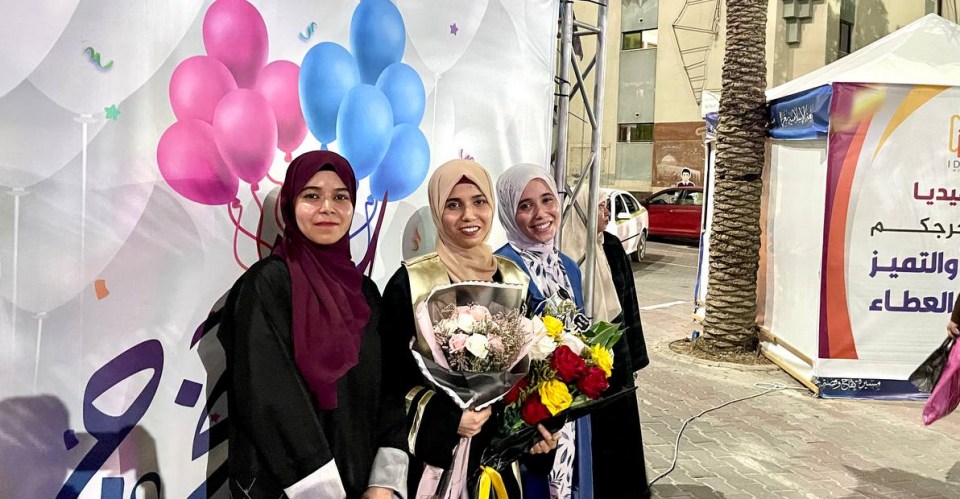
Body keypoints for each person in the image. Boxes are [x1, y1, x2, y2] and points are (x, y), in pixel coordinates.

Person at [217, 151, 407, 499]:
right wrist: (321, 490)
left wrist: (383, 482)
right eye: (312, 195)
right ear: (290, 204)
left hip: (363, 485)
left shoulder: (365, 292)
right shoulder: (266, 286)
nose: (327, 208)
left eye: (340, 197)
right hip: (286, 486)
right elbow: (268, 397)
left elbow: (390, 388)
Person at [380, 159, 558, 498]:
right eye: (453, 205)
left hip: (496, 465)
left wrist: (535, 432)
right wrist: (448, 421)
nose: (469, 215)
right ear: (437, 210)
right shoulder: (412, 283)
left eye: (479, 202)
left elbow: (528, 376)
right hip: (431, 465)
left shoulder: (512, 278)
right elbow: (386, 383)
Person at [494, 164, 594, 499]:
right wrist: (529, 425)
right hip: (529, 426)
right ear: (509, 212)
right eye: (525, 205)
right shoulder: (501, 269)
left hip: (569, 414)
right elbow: (499, 365)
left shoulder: (569, 267)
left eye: (547, 200)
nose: (541, 213)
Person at [562, 189, 652, 498]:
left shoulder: (611, 246)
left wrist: (634, 356)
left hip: (617, 353)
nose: (606, 213)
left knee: (621, 426)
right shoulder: (566, 251)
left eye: (605, 206)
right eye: (600, 207)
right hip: (581, 360)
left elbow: (629, 302)